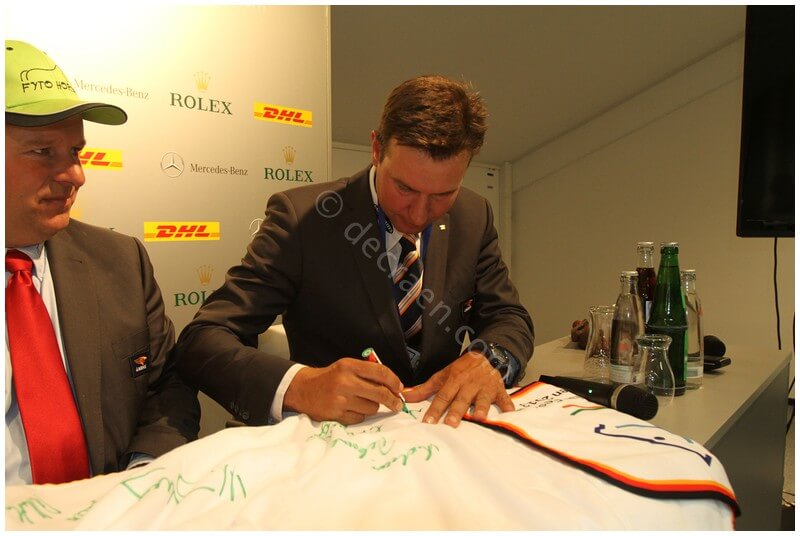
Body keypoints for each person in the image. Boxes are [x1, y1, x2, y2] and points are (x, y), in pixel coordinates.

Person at [175, 75, 533, 428]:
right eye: (405, 188)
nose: (419, 215)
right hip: (335, 441)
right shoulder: (302, 219)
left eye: (443, 195)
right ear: (377, 149)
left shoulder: (473, 215)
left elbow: (507, 316)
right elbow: (203, 339)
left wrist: (491, 359)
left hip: (443, 433)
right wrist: (300, 386)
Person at [5, 40, 200, 486]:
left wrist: (141, 476)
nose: (76, 175)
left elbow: (165, 388)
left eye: (75, 151)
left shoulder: (121, 261)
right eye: (43, 152)